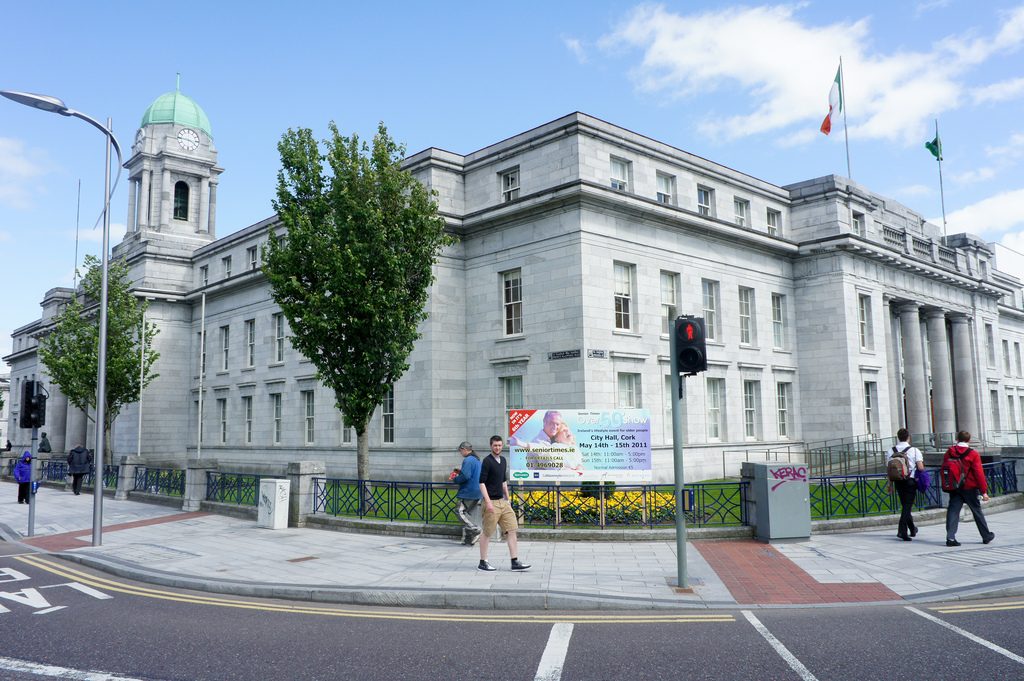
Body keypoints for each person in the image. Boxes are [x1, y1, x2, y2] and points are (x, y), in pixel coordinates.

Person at [478, 435, 531, 572]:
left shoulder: (503, 460)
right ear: (491, 446)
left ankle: (515, 562)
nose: (497, 448)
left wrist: (508, 498)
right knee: (487, 532)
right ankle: (483, 562)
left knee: (512, 529)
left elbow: (503, 481)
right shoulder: (487, 461)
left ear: (502, 446)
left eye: (499, 445)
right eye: (495, 445)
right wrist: (488, 502)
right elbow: (481, 483)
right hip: (491, 502)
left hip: (503, 502)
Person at [943, 430, 994, 547]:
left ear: (957, 439)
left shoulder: (950, 452)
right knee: (976, 511)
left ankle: (950, 537)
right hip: (969, 487)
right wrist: (984, 491)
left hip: (954, 486)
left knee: (953, 511)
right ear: (969, 440)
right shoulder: (973, 454)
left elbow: (945, 467)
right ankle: (986, 536)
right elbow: (979, 473)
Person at [887, 428, 925, 541]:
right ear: (908, 437)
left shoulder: (891, 450)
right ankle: (902, 531)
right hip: (910, 481)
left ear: (898, 437)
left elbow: (889, 469)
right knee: (907, 506)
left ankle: (912, 528)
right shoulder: (914, 450)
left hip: (897, 480)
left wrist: (890, 485)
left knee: (905, 506)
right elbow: (920, 467)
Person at [451, 441, 482, 545]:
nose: (460, 453)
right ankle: (468, 539)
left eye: (460, 451)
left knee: (459, 511)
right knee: (466, 514)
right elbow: (471, 474)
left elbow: (466, 476)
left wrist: (455, 479)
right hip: (477, 491)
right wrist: (460, 472)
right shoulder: (477, 460)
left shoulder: (467, 460)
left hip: (468, 491)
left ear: (464, 449)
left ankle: (475, 529)